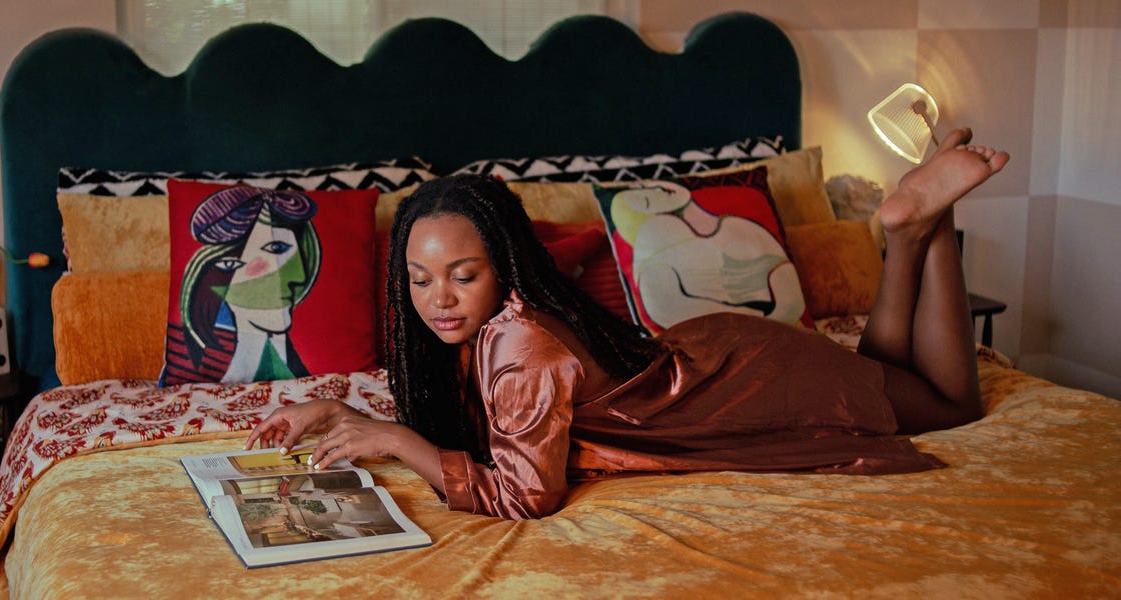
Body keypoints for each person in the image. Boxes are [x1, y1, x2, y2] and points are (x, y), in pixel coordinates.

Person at [246, 129, 1009, 520]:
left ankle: (924, 227)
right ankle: (910, 229)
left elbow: (524, 496)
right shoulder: (489, 331)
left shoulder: (520, 341)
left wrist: (397, 441)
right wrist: (344, 416)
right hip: (723, 360)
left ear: (504, 266)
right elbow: (486, 428)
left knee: (946, 403)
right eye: (417, 279)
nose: (437, 298)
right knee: (877, 375)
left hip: (742, 385)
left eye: (462, 275)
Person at [162, 186, 321, 385]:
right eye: (276, 248)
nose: (298, 277)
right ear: (224, 266)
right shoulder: (202, 351)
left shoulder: (283, 355)